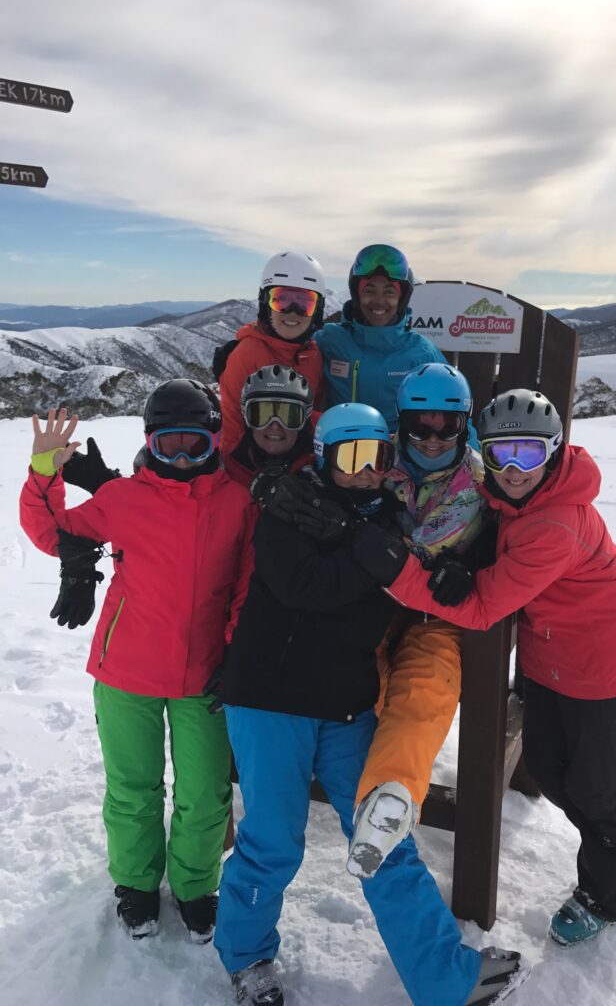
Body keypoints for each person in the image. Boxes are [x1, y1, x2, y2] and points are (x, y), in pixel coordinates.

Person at [214, 402, 528, 1006]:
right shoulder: (288, 509)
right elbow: (308, 586)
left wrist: (446, 570)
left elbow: (412, 575)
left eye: (377, 458)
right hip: (270, 700)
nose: (365, 471)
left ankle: (445, 979)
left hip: (348, 706)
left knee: (387, 836)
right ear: (325, 455)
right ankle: (248, 958)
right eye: (351, 457)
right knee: (273, 840)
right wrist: (377, 556)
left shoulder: (387, 517)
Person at [351, 388, 616, 948]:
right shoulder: (508, 499)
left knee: (594, 790)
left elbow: (482, 609)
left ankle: (606, 894)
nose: (514, 468)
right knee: (547, 770)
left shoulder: (555, 525)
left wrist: (399, 572)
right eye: (501, 454)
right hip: (551, 665)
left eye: (528, 453)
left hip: (605, 670)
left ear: (553, 451)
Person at [19, 382, 256, 943]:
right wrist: (44, 474)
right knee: (133, 789)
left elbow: (247, 588)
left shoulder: (236, 503)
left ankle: (197, 887)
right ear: (149, 442)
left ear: (214, 442)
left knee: (205, 793)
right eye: (167, 443)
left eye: (193, 445)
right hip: (126, 672)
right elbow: (54, 533)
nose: (179, 457)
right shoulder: (123, 499)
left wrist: (235, 652)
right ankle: (136, 884)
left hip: (205, 676)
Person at [346, 362, 489, 879]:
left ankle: (390, 796)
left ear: (463, 424)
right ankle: (374, 785)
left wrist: (468, 564)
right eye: (419, 426)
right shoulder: (372, 462)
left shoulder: (480, 481)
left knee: (428, 683)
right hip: (371, 603)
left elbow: (508, 538)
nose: (432, 439)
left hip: (437, 613)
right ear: (401, 423)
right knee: (358, 670)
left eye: (446, 426)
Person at [314, 244, 448, 431]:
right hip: (339, 451)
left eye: (389, 292)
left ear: (401, 299)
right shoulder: (331, 341)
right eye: (369, 291)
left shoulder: (421, 354)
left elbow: (454, 406)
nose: (379, 301)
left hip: (397, 455)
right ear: (357, 294)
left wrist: (470, 454)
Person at [217, 251, 326, 455]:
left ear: (317, 310)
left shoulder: (313, 355)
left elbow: (309, 419)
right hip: (252, 469)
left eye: (305, 304)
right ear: (265, 304)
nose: (293, 312)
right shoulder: (247, 354)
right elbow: (232, 431)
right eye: (281, 300)